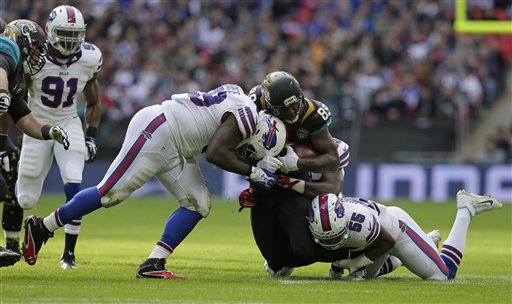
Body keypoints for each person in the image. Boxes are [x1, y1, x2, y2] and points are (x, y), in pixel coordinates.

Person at [22, 84, 286, 278]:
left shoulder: (239, 98)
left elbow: (220, 140)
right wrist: (252, 171)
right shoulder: (248, 117)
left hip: (176, 146)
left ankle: (153, 264)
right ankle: (42, 226)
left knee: (199, 204)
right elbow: (218, 152)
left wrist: (254, 168)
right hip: (158, 129)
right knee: (109, 193)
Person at [5, 5, 103, 270]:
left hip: (68, 122)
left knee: (74, 182)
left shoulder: (90, 58)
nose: (70, 40)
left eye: (75, 34)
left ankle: (68, 254)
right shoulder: (35, 56)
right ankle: (12, 237)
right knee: (25, 198)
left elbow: (93, 102)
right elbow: (15, 96)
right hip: (36, 123)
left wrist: (91, 136)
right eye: (64, 33)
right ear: (49, 32)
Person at [237, 71, 344, 277]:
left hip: (296, 182)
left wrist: (297, 163)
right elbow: (235, 147)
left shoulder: (312, 113)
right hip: (266, 183)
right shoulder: (254, 104)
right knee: (275, 262)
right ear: (269, 106)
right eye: (286, 107)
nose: (294, 109)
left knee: (302, 249)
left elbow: (332, 160)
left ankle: (345, 256)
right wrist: (254, 169)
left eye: (296, 103)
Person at [308, 190, 503, 280]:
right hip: (374, 238)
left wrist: (355, 263)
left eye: (335, 237)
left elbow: (386, 242)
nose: (332, 241)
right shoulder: (323, 218)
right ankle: (424, 244)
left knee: (442, 275)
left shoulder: (361, 225)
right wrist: (337, 267)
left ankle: (466, 208)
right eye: (328, 239)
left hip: (396, 231)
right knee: (364, 277)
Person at [0, 19, 70, 267]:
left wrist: (50, 131)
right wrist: (2, 92)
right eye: (37, 48)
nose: (40, 55)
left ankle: (6, 244)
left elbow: (25, 118)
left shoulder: (16, 74)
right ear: (21, 41)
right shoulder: (7, 49)